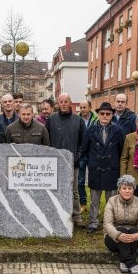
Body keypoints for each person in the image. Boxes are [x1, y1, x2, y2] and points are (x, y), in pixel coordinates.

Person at [81, 102, 124, 233]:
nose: (105, 116)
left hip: (111, 169)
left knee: (111, 199)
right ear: (98, 114)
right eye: (102, 114)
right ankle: (93, 222)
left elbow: (121, 150)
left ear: (112, 115)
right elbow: (85, 149)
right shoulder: (90, 130)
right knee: (94, 199)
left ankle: (109, 223)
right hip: (96, 168)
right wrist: (92, 163)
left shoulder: (118, 130)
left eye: (108, 114)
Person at [46, 93, 86, 228]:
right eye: (61, 101)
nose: (63, 104)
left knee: (74, 190)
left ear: (70, 103)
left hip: (72, 162)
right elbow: (47, 140)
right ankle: (57, 214)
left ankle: (76, 216)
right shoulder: (51, 119)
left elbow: (83, 141)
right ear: (58, 103)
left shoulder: (78, 120)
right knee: (55, 189)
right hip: (55, 163)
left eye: (66, 101)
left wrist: (78, 155)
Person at [103, 175, 138, 274]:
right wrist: (118, 235)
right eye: (124, 188)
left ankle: (124, 261)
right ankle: (131, 264)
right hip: (113, 238)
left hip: (132, 239)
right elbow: (107, 224)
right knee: (122, 229)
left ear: (134, 189)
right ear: (119, 189)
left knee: (133, 231)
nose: (127, 191)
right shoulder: (111, 201)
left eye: (130, 188)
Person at [77, 99, 98, 213]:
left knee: (93, 180)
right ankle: (83, 203)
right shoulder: (76, 119)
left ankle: (94, 204)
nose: (83, 110)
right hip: (81, 154)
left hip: (93, 153)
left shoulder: (96, 119)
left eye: (85, 107)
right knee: (80, 180)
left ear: (90, 107)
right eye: (81, 108)